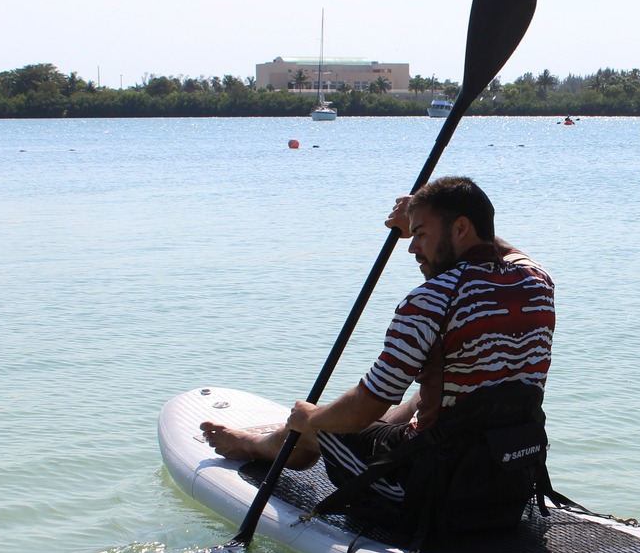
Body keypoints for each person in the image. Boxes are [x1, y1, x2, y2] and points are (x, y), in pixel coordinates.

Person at [201, 176, 555, 532]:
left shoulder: (431, 300)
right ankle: (299, 435)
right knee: (434, 393)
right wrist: (425, 211)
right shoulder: (536, 279)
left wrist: (311, 417)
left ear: (461, 228)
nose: (412, 247)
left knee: (317, 423)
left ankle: (259, 444)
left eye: (420, 234)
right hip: (511, 476)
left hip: (430, 489)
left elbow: (361, 409)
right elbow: (496, 243)